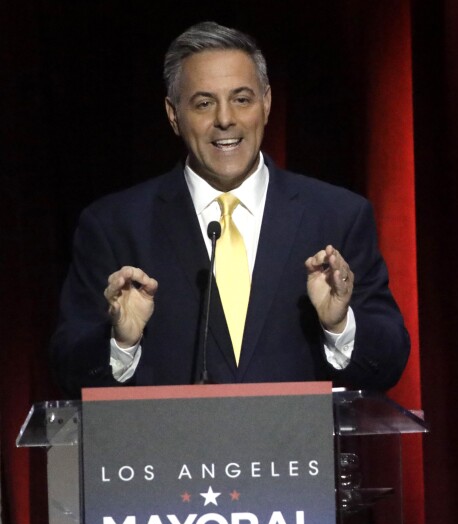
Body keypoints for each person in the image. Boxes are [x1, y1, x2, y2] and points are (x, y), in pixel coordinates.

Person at [50, 22, 409, 397]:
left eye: (242, 99)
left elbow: (387, 363)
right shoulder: (114, 225)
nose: (225, 119)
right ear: (174, 115)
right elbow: (68, 367)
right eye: (204, 103)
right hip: (171, 453)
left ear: (266, 104)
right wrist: (121, 342)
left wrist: (339, 325)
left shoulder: (337, 216)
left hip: (298, 453)